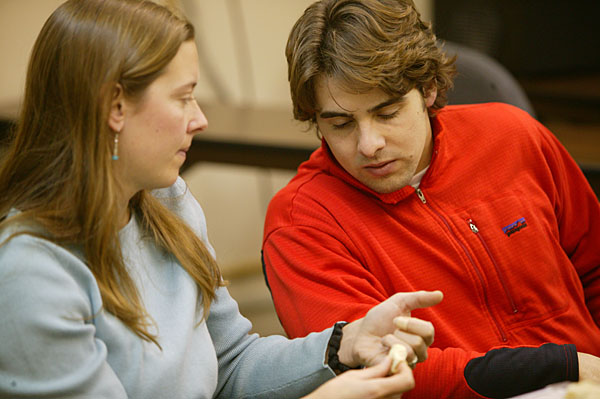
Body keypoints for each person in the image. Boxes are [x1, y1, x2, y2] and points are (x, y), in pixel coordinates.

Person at [0, 0, 445, 398]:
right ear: (115, 107)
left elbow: (230, 367)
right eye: (184, 97)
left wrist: (345, 343)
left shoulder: (167, 204)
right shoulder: (33, 275)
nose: (200, 119)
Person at [261, 0, 600, 398]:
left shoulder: (515, 137)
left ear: (429, 89)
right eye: (340, 123)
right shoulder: (301, 223)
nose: (369, 145)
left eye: (387, 112)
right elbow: (377, 375)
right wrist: (562, 366)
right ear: (313, 117)